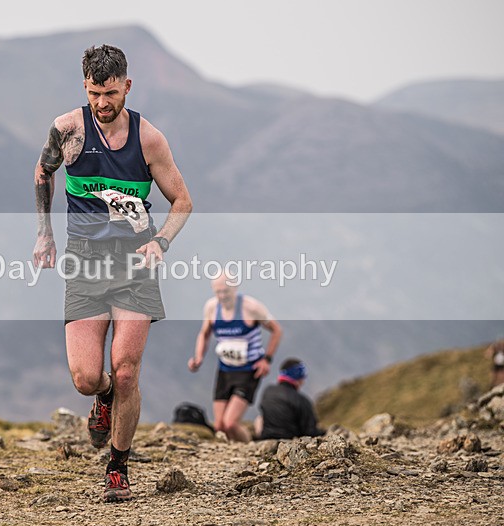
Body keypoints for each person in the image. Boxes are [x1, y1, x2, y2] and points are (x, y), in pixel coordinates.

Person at [32, 44, 192, 502]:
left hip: (134, 266)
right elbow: (43, 173)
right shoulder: (67, 130)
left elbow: (182, 200)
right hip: (84, 262)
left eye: (111, 93)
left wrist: (161, 241)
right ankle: (102, 399)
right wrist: (45, 234)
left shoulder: (149, 140)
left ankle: (118, 465)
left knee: (125, 372)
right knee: (87, 378)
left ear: (128, 86)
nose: (103, 103)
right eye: (95, 93)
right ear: (85, 87)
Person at [188, 274, 282, 442]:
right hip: (225, 370)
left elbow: (276, 330)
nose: (222, 296)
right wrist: (198, 357)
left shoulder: (251, 307)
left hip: (248, 371)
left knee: (230, 423)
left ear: (235, 288)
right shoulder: (211, 307)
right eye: (218, 292)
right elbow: (204, 333)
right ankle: (236, 454)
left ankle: (250, 448)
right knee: (219, 426)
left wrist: (266, 359)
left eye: (226, 291)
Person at [254, 358, 326, 440]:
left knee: (260, 418)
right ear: (299, 377)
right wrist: (324, 433)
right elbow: (310, 431)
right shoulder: (301, 400)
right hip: (290, 442)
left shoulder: (268, 391)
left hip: (266, 438)